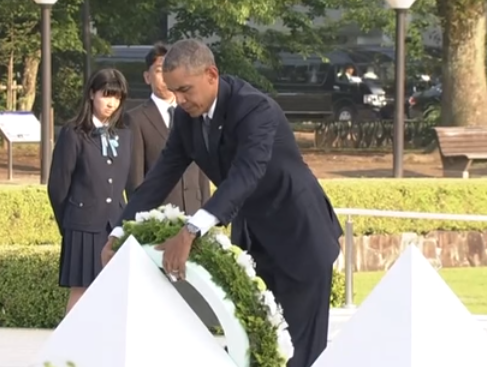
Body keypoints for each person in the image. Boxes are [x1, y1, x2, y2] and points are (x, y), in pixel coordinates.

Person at [102, 39, 342, 367]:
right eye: (174, 92)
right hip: (255, 241)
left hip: (300, 236)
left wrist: (190, 230)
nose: (180, 100)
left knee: (295, 355)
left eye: (185, 89)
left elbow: (246, 174)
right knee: (251, 346)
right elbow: (159, 178)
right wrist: (119, 232)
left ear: (211, 75)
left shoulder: (255, 109)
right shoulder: (187, 117)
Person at [47, 68, 131, 315]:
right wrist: (70, 223)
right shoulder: (73, 133)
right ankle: (69, 351)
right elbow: (58, 186)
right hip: (82, 226)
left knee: (115, 291)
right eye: (106, 95)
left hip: (115, 225)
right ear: (92, 94)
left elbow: (129, 181)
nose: (111, 103)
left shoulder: (125, 134)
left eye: (117, 97)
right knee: (82, 291)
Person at [125, 43, 210, 214]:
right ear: (147, 77)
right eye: (158, 71)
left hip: (194, 213)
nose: (165, 77)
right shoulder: (136, 119)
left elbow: (202, 170)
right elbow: (135, 179)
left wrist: (207, 211)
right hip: (160, 216)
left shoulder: (193, 113)